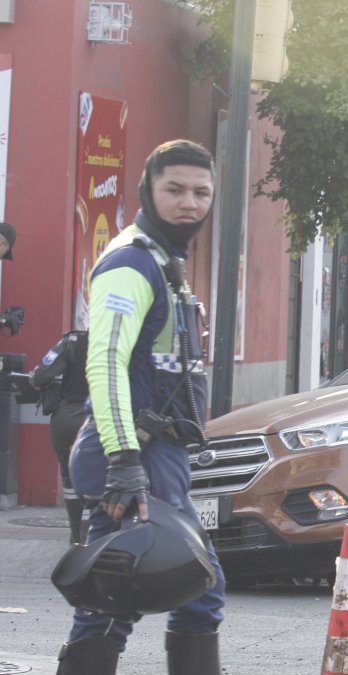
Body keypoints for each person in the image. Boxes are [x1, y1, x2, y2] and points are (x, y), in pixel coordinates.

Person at [55, 139, 225, 675]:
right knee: (115, 600)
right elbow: (104, 364)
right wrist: (124, 462)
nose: (189, 203)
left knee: (194, 591)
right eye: (174, 189)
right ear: (147, 192)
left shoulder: (162, 261)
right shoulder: (131, 263)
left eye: (201, 192)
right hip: (131, 460)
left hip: (157, 460)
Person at [30, 330, 89, 544]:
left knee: (69, 477)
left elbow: (39, 376)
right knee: (106, 474)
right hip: (101, 418)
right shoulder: (123, 341)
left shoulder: (72, 341)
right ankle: (95, 531)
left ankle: (76, 535)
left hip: (67, 418)